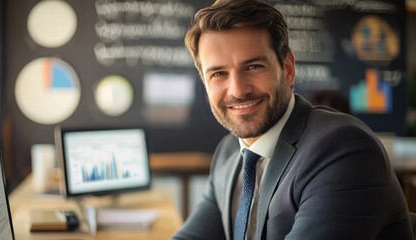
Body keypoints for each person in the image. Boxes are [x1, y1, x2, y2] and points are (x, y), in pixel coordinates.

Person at [172, 0, 414, 239]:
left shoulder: (343, 149)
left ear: (287, 70)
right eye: (219, 73)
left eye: (253, 67)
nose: (237, 90)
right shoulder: (229, 153)